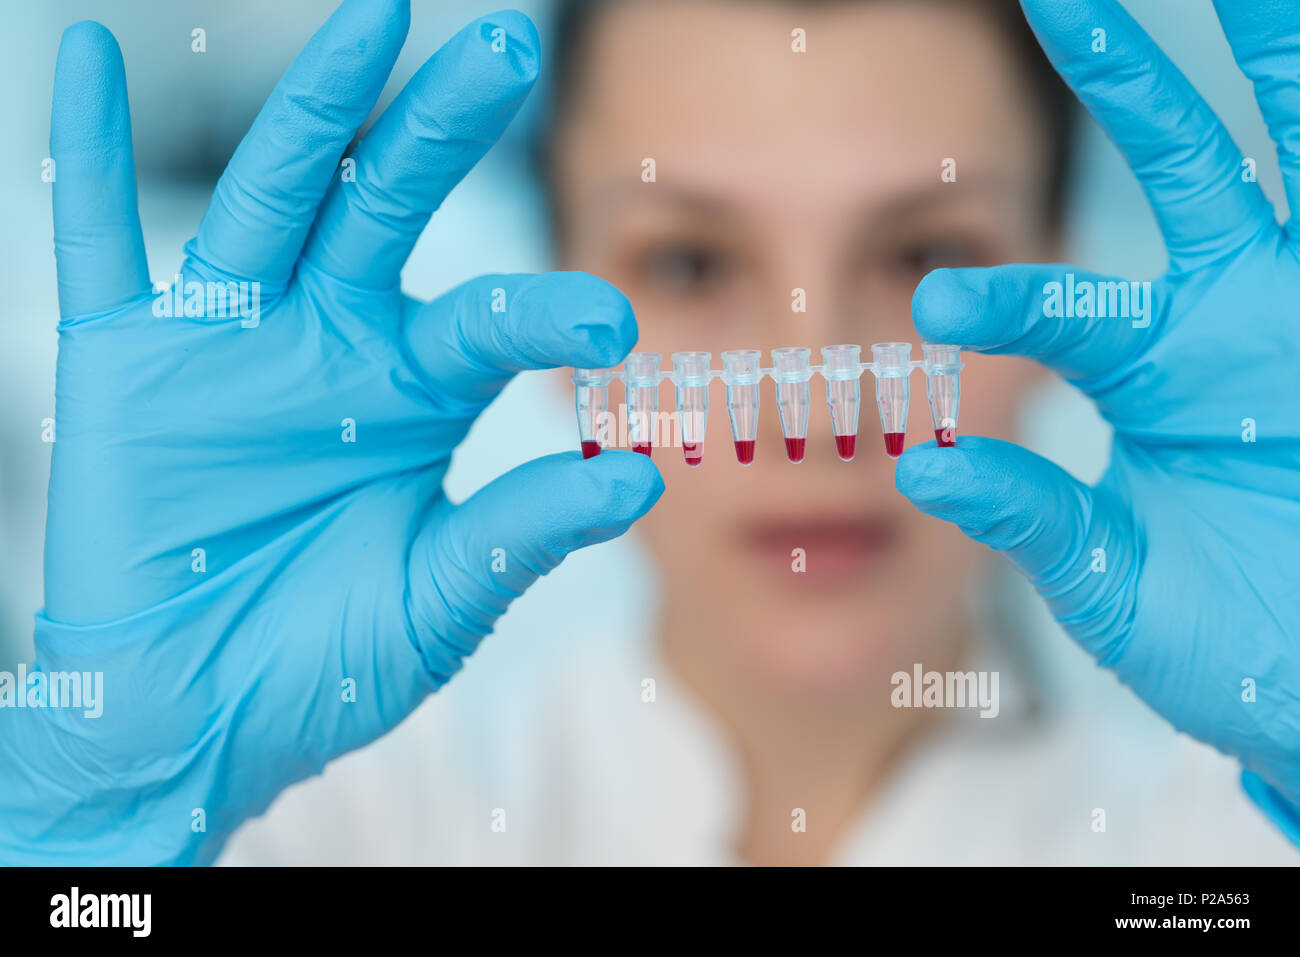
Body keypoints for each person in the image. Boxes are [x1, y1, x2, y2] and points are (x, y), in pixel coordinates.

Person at [4, 0, 1299, 866]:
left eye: (926, 255)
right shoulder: (326, 829)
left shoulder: (1233, 843)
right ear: (556, 305)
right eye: (687, 262)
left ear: (1065, 283)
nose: (812, 409)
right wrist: (97, 839)